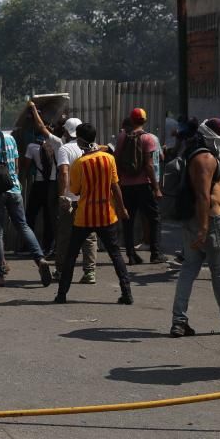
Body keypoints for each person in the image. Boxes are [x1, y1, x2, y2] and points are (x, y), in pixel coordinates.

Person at [169, 119, 220, 337]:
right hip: (210, 221)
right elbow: (202, 196)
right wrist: (204, 228)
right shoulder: (205, 158)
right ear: (214, 138)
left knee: (188, 270)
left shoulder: (195, 151)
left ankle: (179, 321)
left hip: (197, 221)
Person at [0, 104, 53, 287]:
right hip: (14, 189)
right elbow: (15, 164)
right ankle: (40, 260)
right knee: (23, 226)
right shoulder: (8, 138)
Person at [54, 123, 133, 305]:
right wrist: (122, 209)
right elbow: (115, 187)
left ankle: (61, 294)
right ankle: (127, 293)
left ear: (80, 140)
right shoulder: (109, 159)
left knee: (72, 255)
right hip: (107, 215)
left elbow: (76, 190)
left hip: (85, 217)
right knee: (115, 255)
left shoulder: (79, 164)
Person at [115, 108, 163, 264]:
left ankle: (131, 255)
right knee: (154, 218)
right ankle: (155, 253)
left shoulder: (122, 136)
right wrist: (156, 188)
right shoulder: (148, 138)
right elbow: (149, 165)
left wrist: (119, 181)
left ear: (131, 119)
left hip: (126, 186)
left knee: (128, 219)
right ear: (145, 120)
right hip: (144, 185)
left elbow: (116, 160)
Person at [54, 117, 97, 284]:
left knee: (65, 235)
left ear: (67, 132)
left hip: (70, 199)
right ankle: (90, 272)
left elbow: (64, 172)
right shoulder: (93, 148)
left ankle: (60, 270)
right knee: (89, 236)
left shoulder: (65, 149)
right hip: (87, 199)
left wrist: (62, 195)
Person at [20, 102, 64, 259]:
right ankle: (48, 246)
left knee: (31, 214)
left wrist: (22, 179)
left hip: (39, 183)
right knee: (49, 217)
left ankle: (27, 245)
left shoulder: (32, 146)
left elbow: (25, 166)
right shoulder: (58, 144)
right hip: (52, 184)